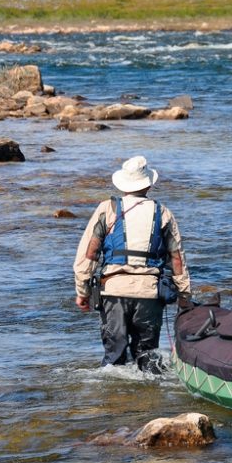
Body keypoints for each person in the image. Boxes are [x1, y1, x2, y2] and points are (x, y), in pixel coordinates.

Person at [74, 156, 192, 371]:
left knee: (114, 358)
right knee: (148, 360)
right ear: (149, 184)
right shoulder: (163, 213)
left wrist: (82, 291)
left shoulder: (107, 209)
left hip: (113, 291)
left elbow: (88, 256)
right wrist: (184, 297)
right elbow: (177, 260)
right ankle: (149, 402)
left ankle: (115, 401)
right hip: (149, 294)